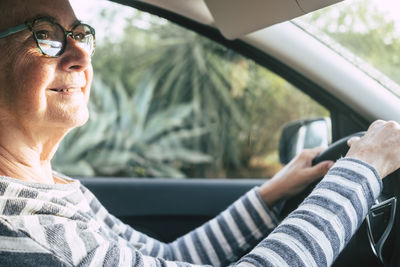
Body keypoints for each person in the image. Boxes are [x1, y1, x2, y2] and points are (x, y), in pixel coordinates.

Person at [0, 0, 399, 266]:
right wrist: (361, 170)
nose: (81, 54)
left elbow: (165, 255)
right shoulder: (26, 230)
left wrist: (271, 193)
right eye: (46, 35)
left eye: (79, 34)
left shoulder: (51, 191)